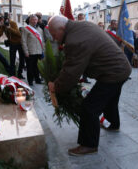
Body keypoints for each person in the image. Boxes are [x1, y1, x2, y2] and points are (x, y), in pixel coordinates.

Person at [47, 15, 131, 156]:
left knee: (89, 107)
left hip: (113, 73)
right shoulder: (82, 26)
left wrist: (56, 86)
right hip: (121, 68)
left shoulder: (75, 40)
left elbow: (71, 72)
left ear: (62, 28)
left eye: (55, 35)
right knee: (110, 99)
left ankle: (89, 145)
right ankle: (113, 124)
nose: (55, 39)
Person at [0, 14, 25, 79]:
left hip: (19, 43)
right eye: (1, 21)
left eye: (4, 20)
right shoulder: (3, 26)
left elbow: (18, 34)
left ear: (7, 19)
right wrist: (1, 26)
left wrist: (9, 28)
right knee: (12, 59)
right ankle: (12, 74)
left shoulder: (13, 23)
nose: (4, 22)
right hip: (12, 43)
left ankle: (20, 73)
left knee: (22, 59)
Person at [21, 15, 45, 86]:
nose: (34, 21)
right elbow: (23, 41)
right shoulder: (25, 29)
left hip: (38, 51)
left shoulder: (40, 29)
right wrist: (26, 51)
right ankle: (30, 81)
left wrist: (43, 50)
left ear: (37, 21)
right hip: (30, 51)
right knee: (30, 67)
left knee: (37, 67)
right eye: (33, 20)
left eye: (36, 20)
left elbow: (42, 41)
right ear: (30, 20)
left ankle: (38, 79)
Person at [77, 13, 90, 84]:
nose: (81, 18)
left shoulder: (87, 25)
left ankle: (85, 78)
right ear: (78, 17)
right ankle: (76, 78)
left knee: (86, 63)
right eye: (80, 17)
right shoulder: (75, 24)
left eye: (82, 17)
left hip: (85, 45)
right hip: (78, 46)